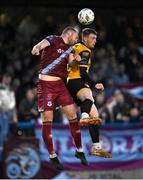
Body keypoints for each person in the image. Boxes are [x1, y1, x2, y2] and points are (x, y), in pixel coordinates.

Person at [31, 26, 88, 170]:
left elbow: (71, 64)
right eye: (75, 38)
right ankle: (52, 155)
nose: (76, 41)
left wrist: (76, 60)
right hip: (45, 85)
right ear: (69, 34)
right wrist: (36, 49)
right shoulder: (53, 39)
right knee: (47, 120)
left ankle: (79, 151)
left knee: (73, 116)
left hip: (60, 86)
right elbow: (39, 46)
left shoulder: (70, 50)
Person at [67, 28, 112, 158]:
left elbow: (68, 61)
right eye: (93, 38)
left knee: (95, 115)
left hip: (70, 82)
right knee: (89, 98)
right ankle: (84, 115)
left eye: (96, 39)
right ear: (85, 38)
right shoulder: (85, 50)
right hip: (77, 81)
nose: (95, 41)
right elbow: (82, 73)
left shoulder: (75, 46)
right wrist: (94, 84)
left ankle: (96, 147)